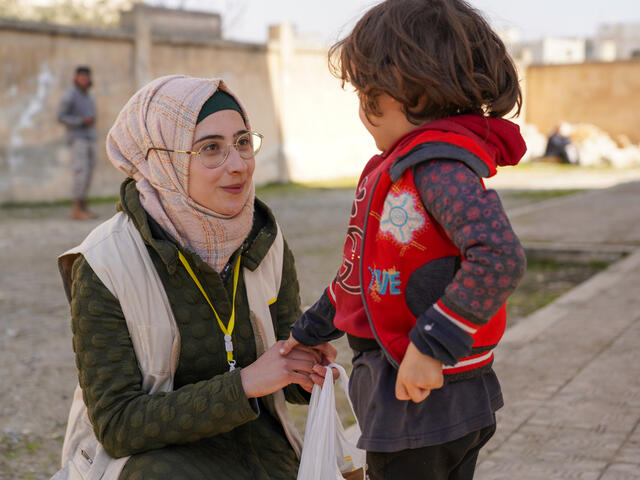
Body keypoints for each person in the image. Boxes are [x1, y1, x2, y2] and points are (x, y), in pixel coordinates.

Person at [280, 1, 528, 479]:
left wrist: (431, 347)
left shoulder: (437, 167)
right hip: (422, 400)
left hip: (421, 405)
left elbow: (498, 257)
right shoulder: (403, 168)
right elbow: (363, 272)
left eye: (363, 90)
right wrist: (308, 332)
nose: (360, 106)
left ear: (396, 91)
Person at [52, 75, 335, 480]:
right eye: (210, 149)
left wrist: (305, 367)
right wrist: (245, 385)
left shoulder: (265, 240)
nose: (237, 164)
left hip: (263, 454)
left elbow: (285, 376)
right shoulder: (103, 264)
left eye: (241, 142)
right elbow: (117, 425)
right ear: (160, 162)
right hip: (155, 464)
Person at [57, 65, 98, 220]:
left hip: (90, 138)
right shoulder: (69, 95)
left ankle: (84, 207)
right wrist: (81, 121)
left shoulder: (89, 96)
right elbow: (61, 117)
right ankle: (76, 209)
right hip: (77, 139)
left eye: (87, 77)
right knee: (81, 172)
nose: (85, 79)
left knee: (89, 172)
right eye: (82, 77)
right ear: (76, 78)